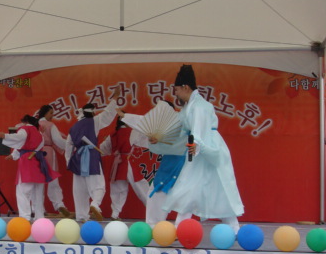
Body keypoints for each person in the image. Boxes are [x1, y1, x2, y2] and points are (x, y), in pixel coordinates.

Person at [147, 65, 243, 232]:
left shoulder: (199, 106)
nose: (176, 94)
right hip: (199, 150)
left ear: (185, 87)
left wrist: (197, 145)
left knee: (218, 189)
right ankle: (181, 229)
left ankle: (233, 228)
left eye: (177, 90)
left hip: (209, 148)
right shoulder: (188, 108)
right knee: (189, 188)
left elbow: (198, 131)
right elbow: (180, 132)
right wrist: (160, 139)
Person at [119, 102, 189, 227]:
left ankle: (156, 225)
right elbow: (144, 123)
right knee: (184, 195)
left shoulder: (173, 121)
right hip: (179, 162)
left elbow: (142, 122)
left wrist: (124, 116)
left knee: (159, 191)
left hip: (177, 163)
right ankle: (179, 227)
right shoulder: (177, 121)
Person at [65, 91, 119, 222]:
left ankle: (81, 216)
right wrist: (114, 100)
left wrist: (69, 162)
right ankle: (95, 204)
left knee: (79, 191)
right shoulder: (94, 121)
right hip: (91, 156)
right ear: (93, 113)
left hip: (77, 158)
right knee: (98, 185)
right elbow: (107, 114)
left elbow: (68, 145)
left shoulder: (74, 127)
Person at [0, 115, 59, 221]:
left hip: (28, 162)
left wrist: (6, 136)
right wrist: (13, 155)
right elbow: (26, 146)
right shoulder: (40, 134)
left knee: (23, 191)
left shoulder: (25, 129)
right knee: (38, 193)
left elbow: (20, 138)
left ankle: (25, 218)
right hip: (39, 163)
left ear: (26, 122)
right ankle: (39, 217)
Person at [99, 117, 149, 220]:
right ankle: (152, 211)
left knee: (118, 190)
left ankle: (115, 214)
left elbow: (103, 149)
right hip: (128, 162)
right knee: (141, 187)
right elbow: (145, 141)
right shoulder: (133, 132)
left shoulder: (112, 135)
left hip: (117, 165)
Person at [37, 104, 72, 218]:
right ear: (45, 113)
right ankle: (59, 205)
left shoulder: (35, 125)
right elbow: (58, 140)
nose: (52, 115)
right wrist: (70, 145)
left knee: (38, 181)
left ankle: (38, 208)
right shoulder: (50, 125)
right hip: (48, 152)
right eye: (51, 113)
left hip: (36, 154)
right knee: (53, 179)